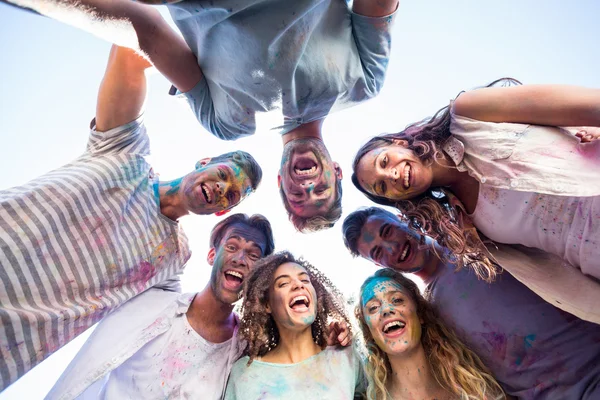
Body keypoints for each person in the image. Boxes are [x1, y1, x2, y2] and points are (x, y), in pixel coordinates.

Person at [0, 46, 262, 391]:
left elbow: (192, 319)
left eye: (231, 194)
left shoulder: (171, 260)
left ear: (223, 211)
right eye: (224, 174)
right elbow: (128, 50)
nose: (220, 187)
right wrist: (196, 81)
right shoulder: (125, 150)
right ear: (205, 162)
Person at [8, 0, 399, 231]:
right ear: (334, 169)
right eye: (320, 189)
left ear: (281, 182)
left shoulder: (227, 125)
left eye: (298, 195)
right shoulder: (364, 84)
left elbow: (150, 32)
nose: (307, 185)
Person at [351, 79, 600, 290]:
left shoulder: (470, 113)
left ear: (398, 142)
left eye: (384, 161)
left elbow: (590, 105)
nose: (391, 176)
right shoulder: (466, 227)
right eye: (382, 187)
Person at [343, 206, 600, 399]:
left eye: (387, 231)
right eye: (378, 252)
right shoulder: (429, 316)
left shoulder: (479, 241)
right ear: (378, 264)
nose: (391, 247)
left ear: (400, 218)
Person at [46, 212, 275, 399]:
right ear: (212, 255)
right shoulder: (152, 302)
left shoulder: (245, 354)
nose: (240, 259)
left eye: (253, 255)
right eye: (232, 247)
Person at [224, 251, 362, 399]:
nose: (298, 285)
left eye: (305, 280)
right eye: (283, 283)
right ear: (266, 305)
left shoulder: (346, 358)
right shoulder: (244, 375)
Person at [357, 268, 504, 400]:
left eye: (397, 300)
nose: (386, 310)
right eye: (373, 308)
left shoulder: (475, 385)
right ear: (369, 332)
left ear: (420, 314)